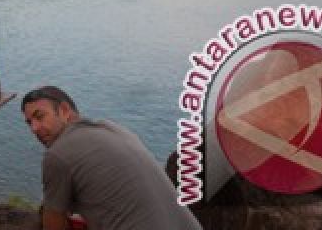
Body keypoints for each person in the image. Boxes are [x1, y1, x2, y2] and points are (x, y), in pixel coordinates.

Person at [21, 86, 200, 230]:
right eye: (29, 122)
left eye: (40, 117)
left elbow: (54, 224)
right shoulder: (112, 128)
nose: (34, 129)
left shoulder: (58, 155)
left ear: (65, 110)